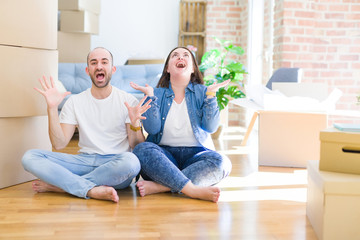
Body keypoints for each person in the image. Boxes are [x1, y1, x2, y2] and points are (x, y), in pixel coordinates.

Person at [22, 47, 151, 203]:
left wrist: (135, 123)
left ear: (113, 69)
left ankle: (64, 186)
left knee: (132, 162)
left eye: (104, 62)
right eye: (93, 62)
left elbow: (135, 145)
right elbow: (59, 143)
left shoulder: (128, 101)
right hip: (83, 161)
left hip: (115, 163)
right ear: (87, 70)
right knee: (30, 157)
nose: (99, 66)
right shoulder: (75, 102)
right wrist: (52, 108)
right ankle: (89, 188)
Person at [130, 46, 232, 203]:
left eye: (186, 55)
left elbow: (210, 128)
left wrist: (211, 97)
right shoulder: (156, 93)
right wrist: (150, 97)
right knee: (142, 150)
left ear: (192, 68)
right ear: (167, 68)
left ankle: (161, 187)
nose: (180, 57)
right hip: (164, 157)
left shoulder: (204, 92)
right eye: (175, 56)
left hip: (196, 156)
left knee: (222, 162)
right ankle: (192, 190)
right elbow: (152, 129)